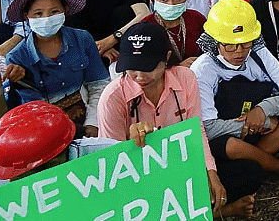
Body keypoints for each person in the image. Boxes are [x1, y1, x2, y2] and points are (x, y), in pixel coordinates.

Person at [96, 23, 240, 214]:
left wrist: (210, 173)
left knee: (245, 173)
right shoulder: (112, 97)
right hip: (140, 177)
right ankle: (217, 211)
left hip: (180, 164)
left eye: (148, 67)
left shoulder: (186, 78)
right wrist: (130, 144)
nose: (139, 76)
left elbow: (196, 131)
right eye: (131, 68)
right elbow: (111, 164)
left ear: (167, 59)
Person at [192, 0, 279, 196]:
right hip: (229, 138)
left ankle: (259, 161)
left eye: (245, 43)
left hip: (260, 135)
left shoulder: (259, 54)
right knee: (231, 146)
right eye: (230, 45)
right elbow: (209, 127)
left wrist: (263, 109)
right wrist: (263, 123)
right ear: (215, 42)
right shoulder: (202, 70)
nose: (239, 51)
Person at [4, 0, 110, 137]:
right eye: (38, 13)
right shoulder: (17, 56)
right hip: (46, 130)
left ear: (65, 10)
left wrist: (93, 124)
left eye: (54, 12)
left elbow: (98, 85)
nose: (46, 18)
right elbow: (34, 107)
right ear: (27, 17)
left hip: (89, 119)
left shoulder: (82, 39)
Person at [139, 0, 207, 65]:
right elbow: (142, 68)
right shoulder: (144, 29)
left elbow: (212, 53)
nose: (171, 4)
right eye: (164, 0)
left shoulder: (197, 19)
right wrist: (177, 69)